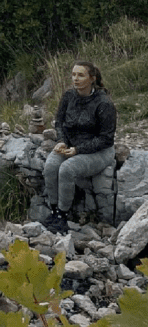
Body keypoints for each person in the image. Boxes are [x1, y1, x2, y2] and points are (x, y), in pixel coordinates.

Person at [43, 61, 116, 234]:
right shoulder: (68, 96)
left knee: (67, 168)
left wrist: (78, 150)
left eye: (81, 75)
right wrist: (61, 140)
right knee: (51, 166)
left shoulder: (104, 103)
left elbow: (106, 139)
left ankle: (62, 215)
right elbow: (59, 122)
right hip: (70, 146)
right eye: (74, 74)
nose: (75, 79)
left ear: (92, 78)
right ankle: (53, 211)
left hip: (99, 152)